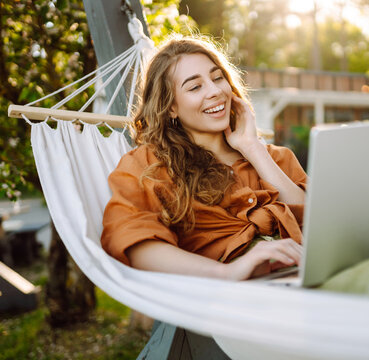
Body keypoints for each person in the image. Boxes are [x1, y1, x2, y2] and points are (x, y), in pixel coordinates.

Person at [101, 35, 306, 281]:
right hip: (234, 296)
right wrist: (227, 272)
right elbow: (135, 242)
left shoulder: (274, 158)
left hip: (303, 275)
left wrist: (252, 147)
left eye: (218, 77)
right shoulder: (149, 167)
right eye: (195, 87)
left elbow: (314, 219)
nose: (215, 91)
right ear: (171, 107)